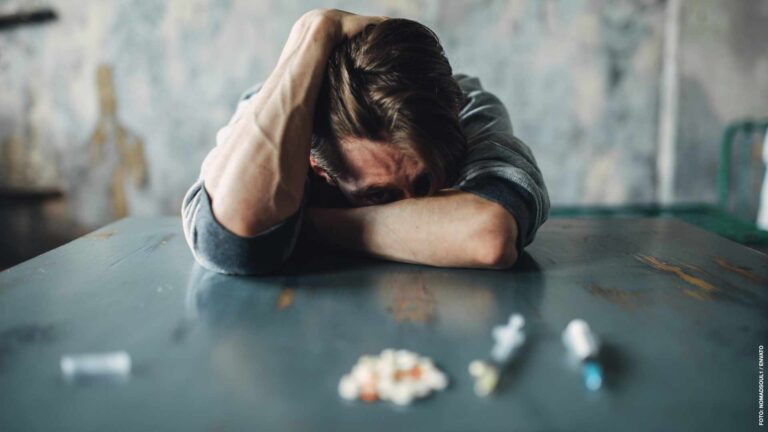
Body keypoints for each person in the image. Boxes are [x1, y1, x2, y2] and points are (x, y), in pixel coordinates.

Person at [181, 9, 549, 275]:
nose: (413, 207)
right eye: (379, 194)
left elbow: (489, 236)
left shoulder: (466, 104)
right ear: (315, 165)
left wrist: (301, 228)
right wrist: (316, 30)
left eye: (425, 181)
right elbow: (231, 246)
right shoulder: (271, 126)